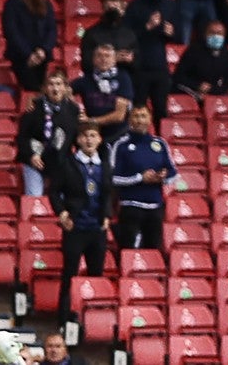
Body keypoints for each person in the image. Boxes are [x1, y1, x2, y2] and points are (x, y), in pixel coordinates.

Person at [49, 122, 110, 326]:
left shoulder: (105, 164)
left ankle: (91, 322)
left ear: (99, 139)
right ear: (78, 139)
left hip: (97, 229)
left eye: (93, 135)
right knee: (70, 274)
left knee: (96, 277)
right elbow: (53, 191)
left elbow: (108, 194)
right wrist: (62, 212)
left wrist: (107, 215)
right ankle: (64, 320)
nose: (89, 140)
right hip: (75, 228)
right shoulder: (68, 163)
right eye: (85, 136)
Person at [110, 107, 177, 250]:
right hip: (130, 206)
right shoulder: (121, 145)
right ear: (129, 120)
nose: (140, 120)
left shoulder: (160, 144)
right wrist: (140, 178)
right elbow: (113, 178)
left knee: (153, 251)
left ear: (150, 119)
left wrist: (163, 177)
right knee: (127, 250)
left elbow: (173, 173)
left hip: (155, 207)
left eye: (143, 116)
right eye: (136, 116)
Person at [123, 0, 178, 121]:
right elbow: (127, 36)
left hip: (160, 65)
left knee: (161, 108)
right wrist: (147, 26)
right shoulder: (136, 5)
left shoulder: (170, 5)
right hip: (140, 65)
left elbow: (177, 35)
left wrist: (171, 33)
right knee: (138, 107)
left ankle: (161, 140)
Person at [16, 70, 81, 197]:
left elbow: (76, 138)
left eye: (58, 84)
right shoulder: (33, 108)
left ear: (65, 87)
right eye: (51, 84)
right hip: (35, 160)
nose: (55, 88)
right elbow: (22, 138)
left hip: (60, 161)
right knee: (34, 197)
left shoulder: (73, 110)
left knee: (64, 199)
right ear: (45, 88)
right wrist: (31, 155)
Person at [1, 0, 56, 91]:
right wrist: (28, 54)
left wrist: (43, 50)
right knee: (32, 89)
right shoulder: (11, 4)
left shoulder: (46, 3)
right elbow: (11, 32)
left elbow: (51, 29)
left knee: (41, 89)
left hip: (41, 56)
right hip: (21, 56)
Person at [71, 44, 133, 145]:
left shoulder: (123, 78)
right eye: (99, 56)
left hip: (118, 135)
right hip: (93, 135)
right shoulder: (86, 79)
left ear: (114, 60)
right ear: (94, 59)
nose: (103, 59)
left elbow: (119, 115)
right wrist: (74, 107)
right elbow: (63, 91)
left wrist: (92, 121)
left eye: (107, 56)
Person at [173, 20, 228, 98]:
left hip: (213, 93)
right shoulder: (193, 50)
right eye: (212, 32)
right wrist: (198, 86)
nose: (215, 36)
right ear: (206, 34)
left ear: (224, 36)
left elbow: (226, 84)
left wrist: (211, 89)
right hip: (190, 90)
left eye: (219, 33)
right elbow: (178, 76)